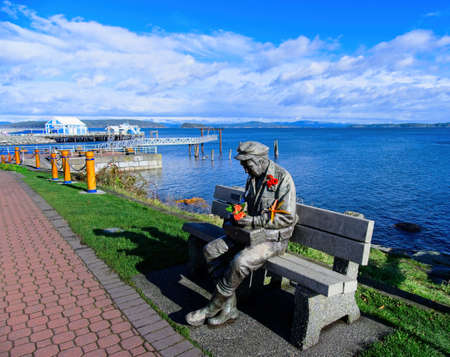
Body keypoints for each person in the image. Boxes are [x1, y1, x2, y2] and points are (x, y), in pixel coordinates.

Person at [186, 141, 298, 327]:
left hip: (274, 240)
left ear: (261, 160)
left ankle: (212, 306)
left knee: (240, 262)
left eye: (247, 164)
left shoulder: (283, 178)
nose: (245, 169)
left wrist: (254, 221)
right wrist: (238, 212)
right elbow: (245, 202)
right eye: (243, 165)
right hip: (248, 235)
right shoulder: (253, 178)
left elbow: (287, 218)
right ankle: (229, 308)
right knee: (210, 250)